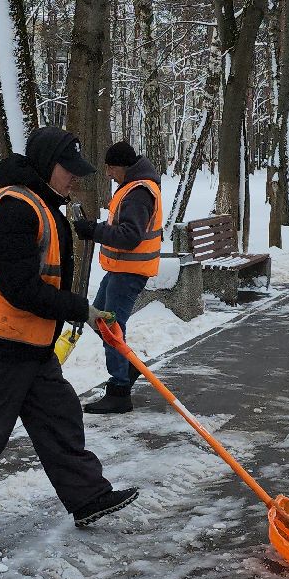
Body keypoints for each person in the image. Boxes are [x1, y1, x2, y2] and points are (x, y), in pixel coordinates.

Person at [0, 127, 140, 534]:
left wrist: (79, 314)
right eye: (68, 169)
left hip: (30, 342)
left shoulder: (42, 204)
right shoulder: (15, 209)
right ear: (45, 166)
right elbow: (20, 289)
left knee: (60, 416)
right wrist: (84, 310)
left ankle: (88, 496)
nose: (74, 177)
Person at [76, 141, 163, 415]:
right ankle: (128, 369)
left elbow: (129, 236)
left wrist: (94, 231)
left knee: (111, 326)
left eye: (111, 169)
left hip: (130, 272)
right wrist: (95, 229)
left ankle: (119, 391)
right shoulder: (133, 188)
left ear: (122, 167)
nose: (108, 174)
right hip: (120, 270)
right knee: (98, 319)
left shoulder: (138, 193)